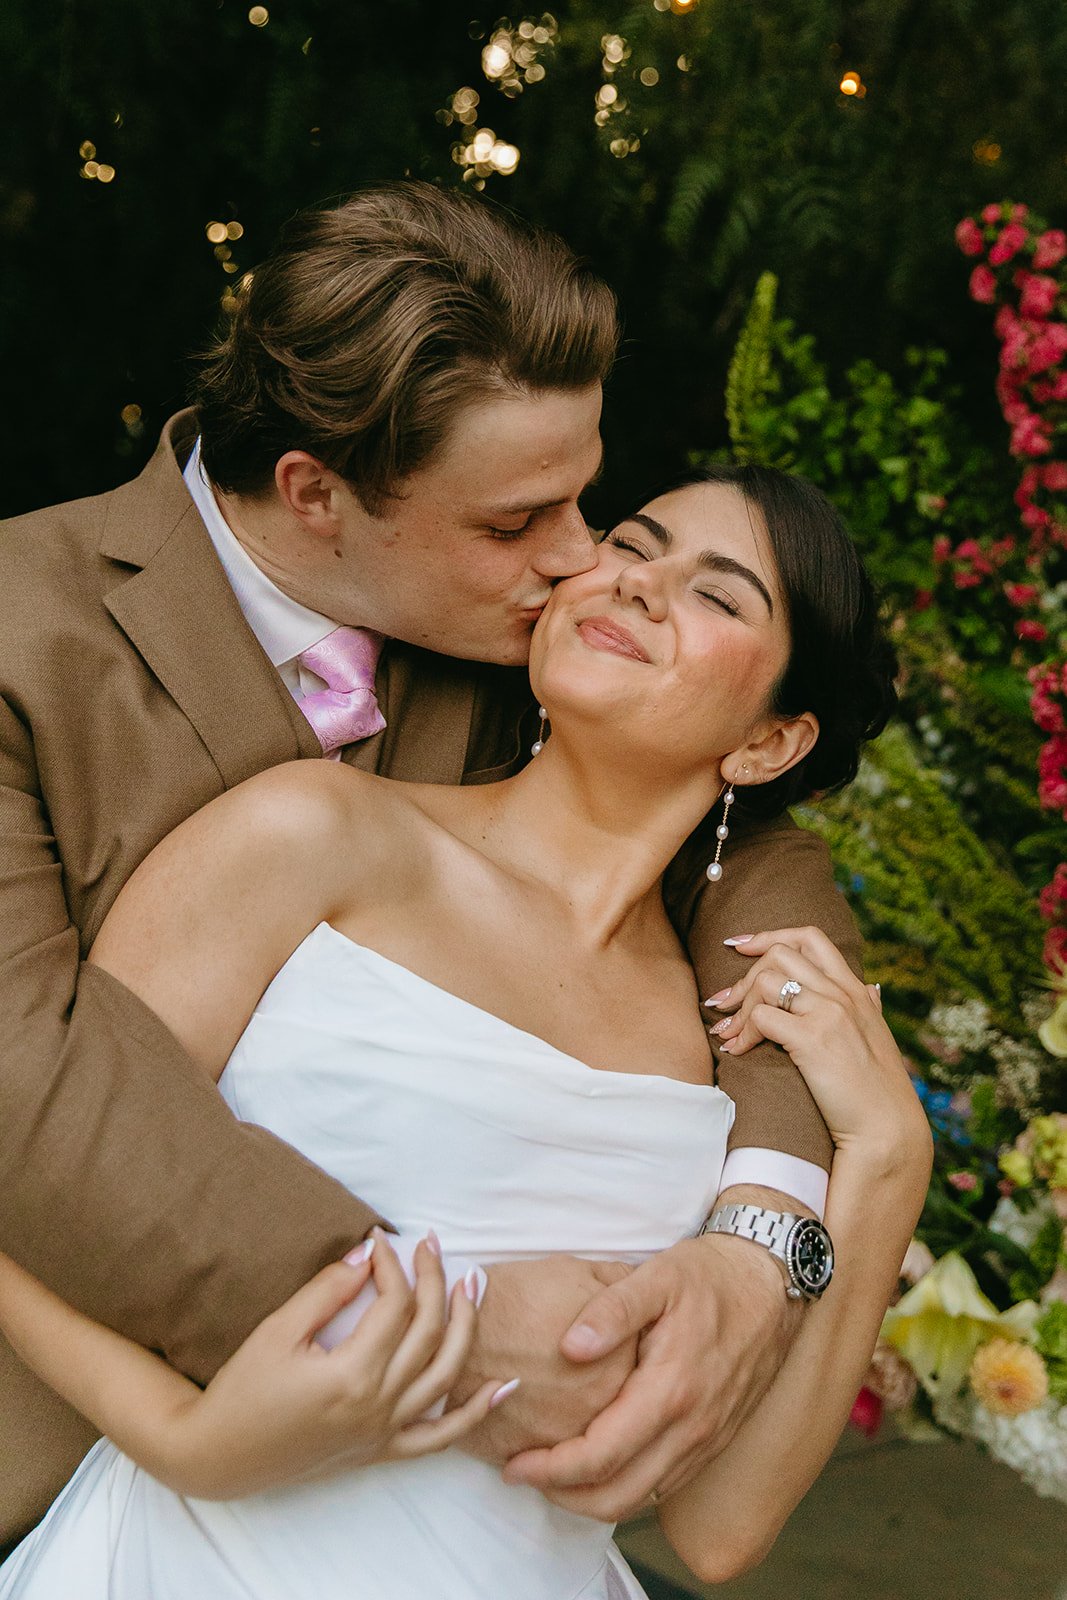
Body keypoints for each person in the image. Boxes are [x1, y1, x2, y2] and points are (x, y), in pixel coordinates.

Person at [0, 182, 866, 1551]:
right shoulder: (22, 630)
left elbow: (754, 868)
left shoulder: (546, 635)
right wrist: (448, 1335)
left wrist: (766, 1233)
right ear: (316, 494)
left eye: (588, 498)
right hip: (69, 1461)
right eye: (519, 522)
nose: (581, 558)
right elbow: (25, 1087)